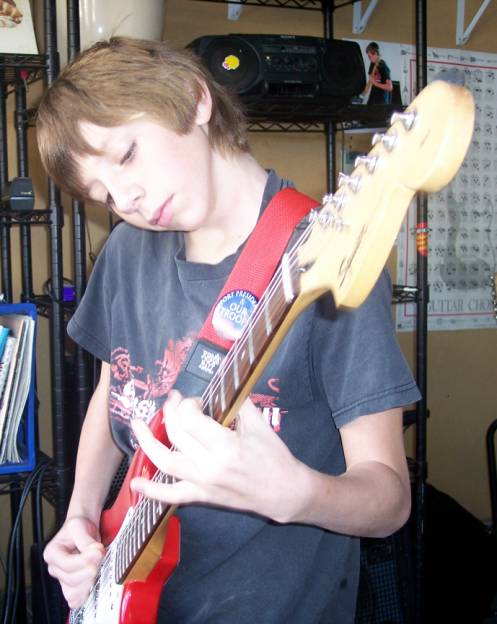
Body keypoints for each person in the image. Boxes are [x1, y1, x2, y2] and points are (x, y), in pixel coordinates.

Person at [37, 37, 420, 623]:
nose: (126, 199)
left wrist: (296, 494)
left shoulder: (324, 261)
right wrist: (82, 520)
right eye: (102, 194)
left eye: (127, 154)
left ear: (195, 100)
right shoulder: (126, 251)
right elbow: (116, 392)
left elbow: (390, 501)